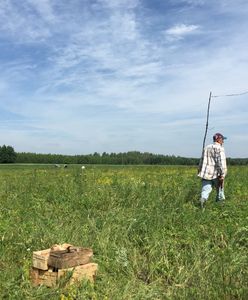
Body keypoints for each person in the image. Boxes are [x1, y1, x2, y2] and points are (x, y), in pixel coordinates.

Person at [198, 132, 227, 208]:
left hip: (206, 173)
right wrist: (222, 174)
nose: (223, 142)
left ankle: (203, 201)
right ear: (219, 140)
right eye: (222, 140)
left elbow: (201, 160)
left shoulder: (206, 147)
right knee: (220, 191)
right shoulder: (220, 148)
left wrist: (199, 170)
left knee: (205, 191)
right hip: (216, 174)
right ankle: (221, 207)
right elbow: (221, 162)